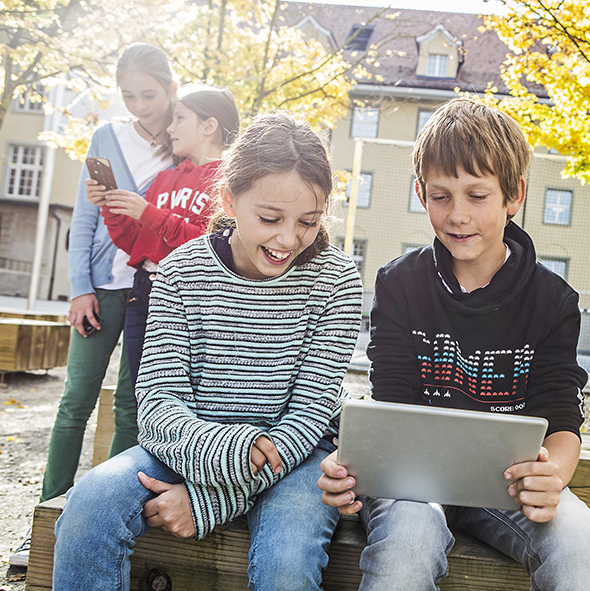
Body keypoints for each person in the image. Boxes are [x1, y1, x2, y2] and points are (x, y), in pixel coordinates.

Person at [52, 111, 363, 590]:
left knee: (286, 564)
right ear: (229, 199)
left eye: (308, 222)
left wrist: (208, 502)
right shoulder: (180, 270)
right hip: (187, 445)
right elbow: (157, 404)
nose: (287, 239)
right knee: (88, 503)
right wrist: (227, 456)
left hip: (294, 459)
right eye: (269, 218)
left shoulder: (337, 281)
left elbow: (311, 415)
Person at [318, 98, 590, 590]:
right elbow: (392, 407)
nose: (458, 216)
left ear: (513, 195)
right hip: (410, 485)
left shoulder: (553, 299)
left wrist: (553, 477)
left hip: (508, 487)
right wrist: (355, 466)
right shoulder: (399, 284)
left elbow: (562, 419)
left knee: (582, 547)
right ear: (421, 193)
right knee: (407, 545)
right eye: (441, 196)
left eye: (477, 196)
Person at [9, 42, 176, 569]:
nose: (139, 106)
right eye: (128, 96)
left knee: (131, 406)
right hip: (102, 288)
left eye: (148, 95)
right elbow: (86, 219)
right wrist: (79, 287)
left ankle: (108, 519)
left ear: (172, 90)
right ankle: (45, 514)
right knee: (74, 400)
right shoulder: (107, 137)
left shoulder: (186, 140)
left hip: (153, 290)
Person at [87, 85, 240, 387]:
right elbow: (136, 244)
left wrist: (149, 213)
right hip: (142, 291)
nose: (169, 128)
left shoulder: (229, 182)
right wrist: (111, 208)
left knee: (174, 392)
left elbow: (208, 245)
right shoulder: (164, 178)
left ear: (209, 126)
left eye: (179, 118)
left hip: (189, 296)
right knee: (138, 393)